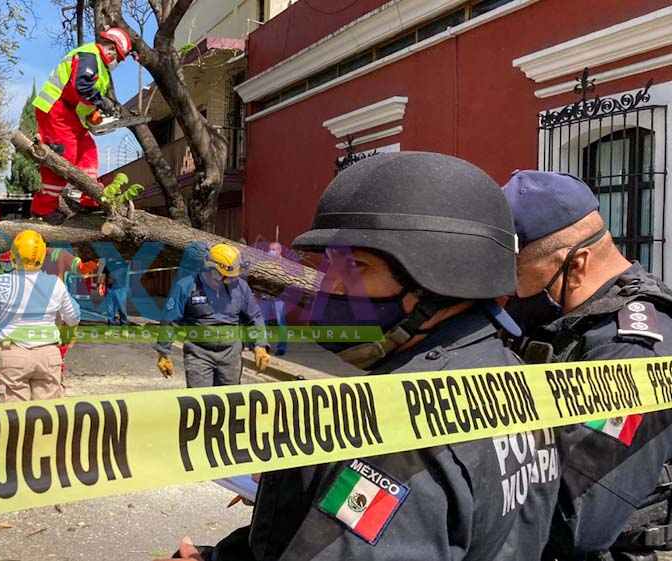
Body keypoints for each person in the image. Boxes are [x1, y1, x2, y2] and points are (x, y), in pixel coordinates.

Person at [164, 152, 560, 561]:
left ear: (439, 278)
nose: (332, 285)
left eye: (356, 265)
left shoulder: (403, 429)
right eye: (331, 264)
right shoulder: (516, 377)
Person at [501, 171, 672, 561]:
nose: (512, 290)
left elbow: (580, 518)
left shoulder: (633, 352)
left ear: (576, 264)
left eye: (517, 273)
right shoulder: (563, 318)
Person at [0, 230, 80, 402]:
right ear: (42, 256)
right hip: (48, 356)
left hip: (12, 356)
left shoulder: (1, 283)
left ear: (14, 255)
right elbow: (73, 317)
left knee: (13, 415)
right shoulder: (56, 284)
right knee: (47, 414)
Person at [30, 27, 134, 224]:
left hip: (71, 114)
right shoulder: (89, 56)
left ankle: (90, 197)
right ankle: (43, 207)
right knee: (63, 156)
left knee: (88, 151)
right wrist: (102, 103)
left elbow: (85, 99)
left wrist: (95, 114)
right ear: (111, 49)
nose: (117, 62)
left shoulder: (100, 68)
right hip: (55, 108)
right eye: (119, 58)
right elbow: (82, 86)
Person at [154, 242, 270, 388]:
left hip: (231, 354)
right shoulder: (186, 286)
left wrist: (260, 345)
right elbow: (170, 320)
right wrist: (163, 353)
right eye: (225, 277)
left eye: (232, 277)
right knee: (201, 398)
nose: (230, 281)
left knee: (230, 397)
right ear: (211, 269)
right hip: (199, 354)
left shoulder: (240, 287)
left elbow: (254, 317)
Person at [260, 242, 289, 356]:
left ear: (280, 251)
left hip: (279, 298)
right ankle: (264, 345)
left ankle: (281, 347)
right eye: (270, 249)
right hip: (265, 297)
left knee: (281, 322)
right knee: (263, 322)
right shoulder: (265, 264)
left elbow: (288, 281)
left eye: (274, 249)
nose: (271, 252)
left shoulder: (285, 264)